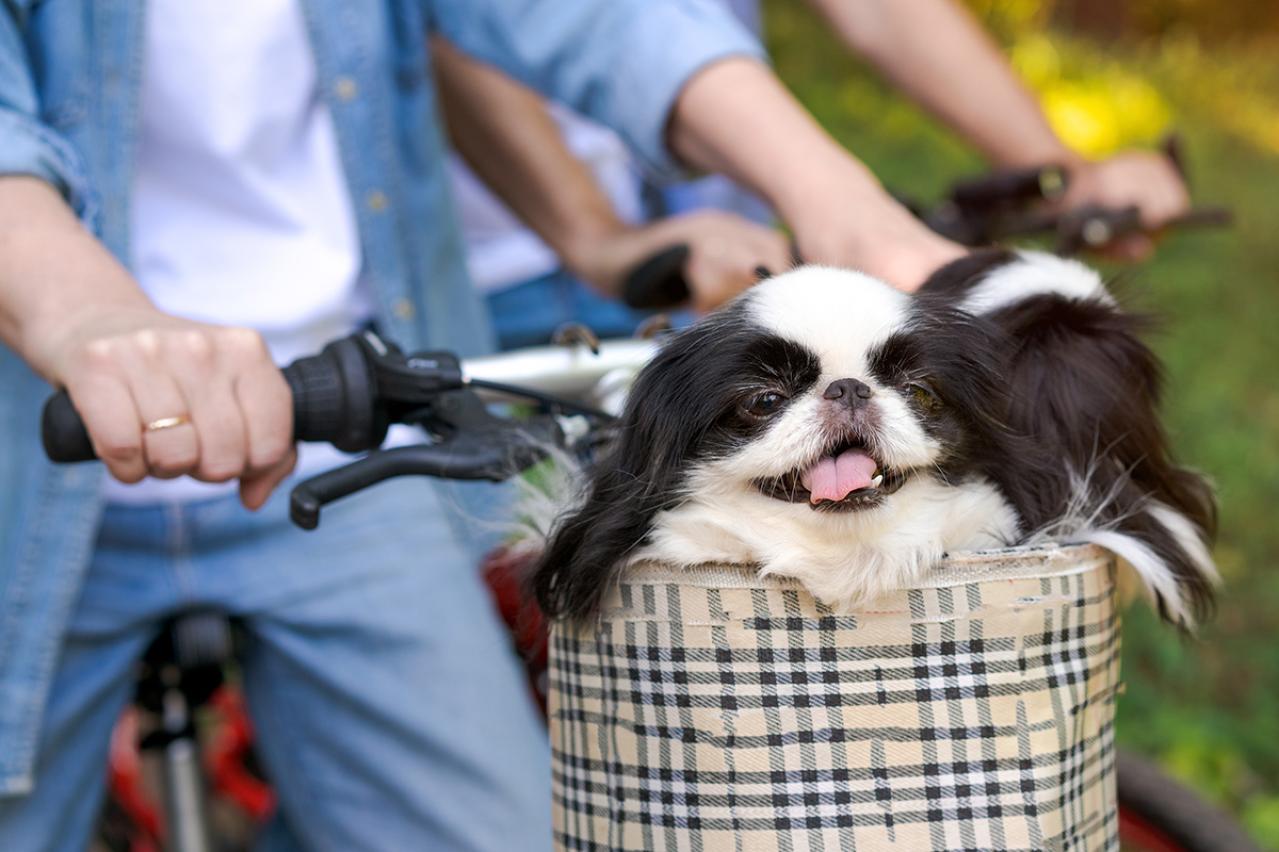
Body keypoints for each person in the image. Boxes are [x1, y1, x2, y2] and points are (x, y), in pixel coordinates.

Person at [0, 1, 962, 849]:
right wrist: (89, 318)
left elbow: (601, 21)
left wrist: (835, 198)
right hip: (27, 464)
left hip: (355, 441)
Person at [441, 0, 1189, 351]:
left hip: (725, 253)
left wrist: (1060, 171)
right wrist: (600, 238)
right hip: (471, 269)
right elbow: (469, 28)